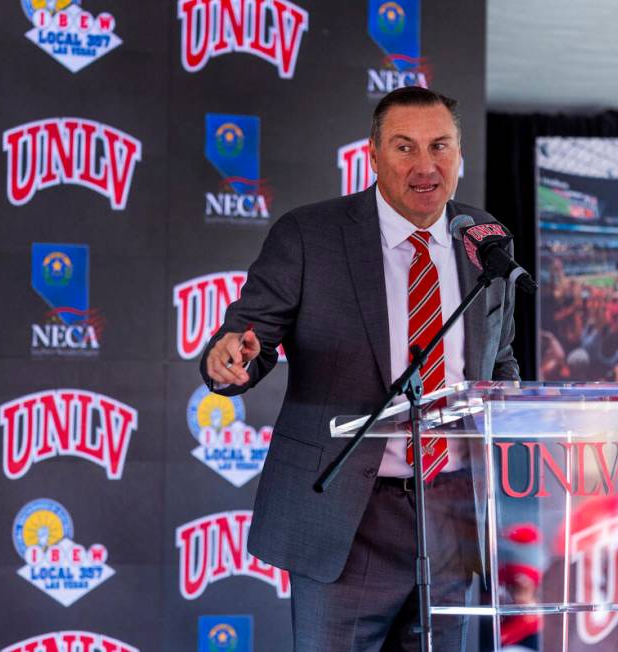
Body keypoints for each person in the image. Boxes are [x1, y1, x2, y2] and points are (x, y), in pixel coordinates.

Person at [200, 86, 520, 650]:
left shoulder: (483, 237)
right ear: (372, 155)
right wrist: (231, 359)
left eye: (440, 146)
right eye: (405, 148)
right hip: (348, 519)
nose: (426, 166)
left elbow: (499, 355)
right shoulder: (311, 236)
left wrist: (515, 405)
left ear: (460, 152)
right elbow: (249, 337)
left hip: (452, 514)